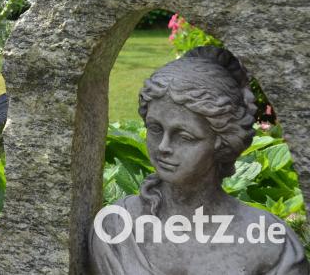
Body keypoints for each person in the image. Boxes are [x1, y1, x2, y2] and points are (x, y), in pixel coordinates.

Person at [89, 46, 308, 275]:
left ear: (222, 141)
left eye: (184, 136)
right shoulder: (116, 229)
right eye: (155, 129)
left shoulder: (270, 242)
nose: (163, 147)